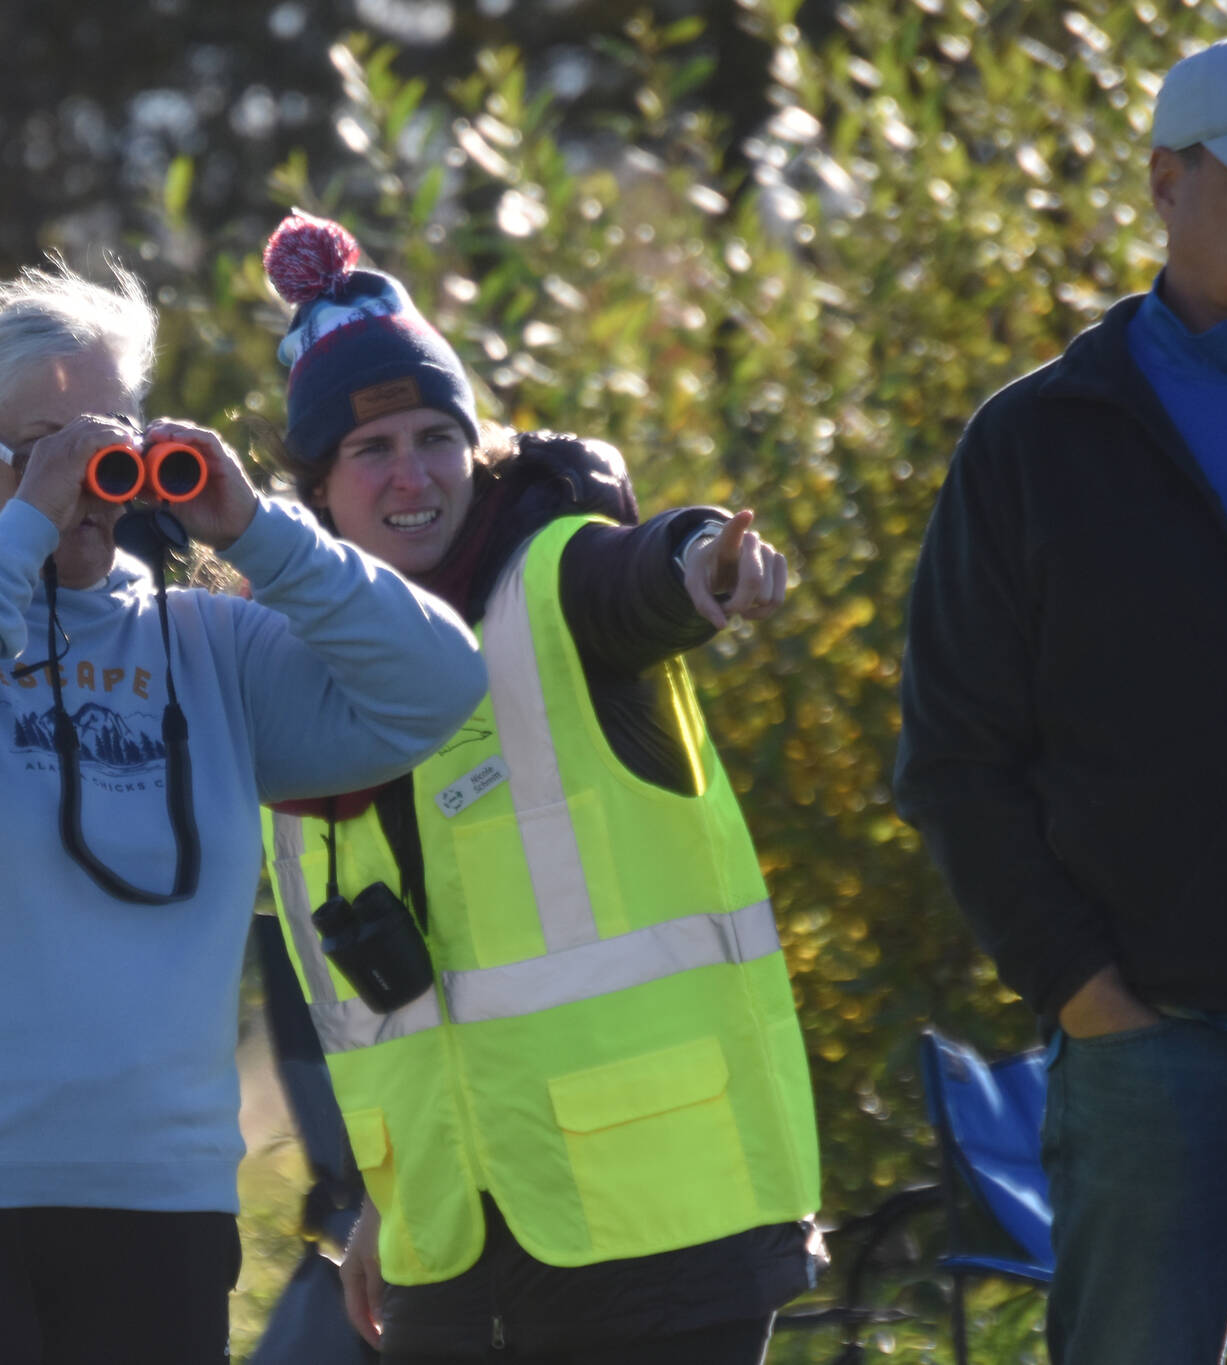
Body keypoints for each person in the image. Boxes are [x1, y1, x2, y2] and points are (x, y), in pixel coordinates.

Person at [0, 259, 486, 1365]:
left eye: (102, 446)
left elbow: (434, 690)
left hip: (150, 1205)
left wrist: (256, 530)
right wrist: (15, 543)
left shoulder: (205, 646)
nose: (81, 484)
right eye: (41, 449)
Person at [253, 211, 822, 1365]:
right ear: (316, 488)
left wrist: (711, 563)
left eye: (434, 438)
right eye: (371, 452)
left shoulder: (557, 578)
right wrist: (373, 1200)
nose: (411, 474)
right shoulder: (288, 673)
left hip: (660, 1222)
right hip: (449, 1244)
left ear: (479, 450)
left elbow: (646, 573)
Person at [895, 35, 1227, 1365]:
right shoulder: (1035, 444)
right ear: (1168, 182)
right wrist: (1086, 990)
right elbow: (952, 755)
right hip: (1156, 1051)